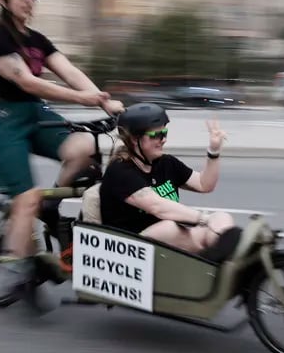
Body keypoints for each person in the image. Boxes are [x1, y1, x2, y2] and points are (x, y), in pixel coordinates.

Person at [0, 0, 124, 290]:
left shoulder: (37, 40)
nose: (29, 1)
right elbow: (26, 80)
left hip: (32, 111)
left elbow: (69, 70)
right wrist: (82, 99)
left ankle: (50, 205)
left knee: (84, 146)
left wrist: (102, 101)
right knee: (25, 198)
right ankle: (20, 269)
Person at [99, 103, 242, 262]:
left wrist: (214, 151)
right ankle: (207, 269)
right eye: (157, 135)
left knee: (222, 218)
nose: (164, 139)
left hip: (166, 243)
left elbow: (204, 184)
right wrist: (205, 220)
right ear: (134, 139)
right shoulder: (120, 171)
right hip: (127, 250)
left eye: (165, 133)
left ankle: (217, 267)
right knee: (171, 229)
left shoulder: (166, 163)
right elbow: (157, 207)